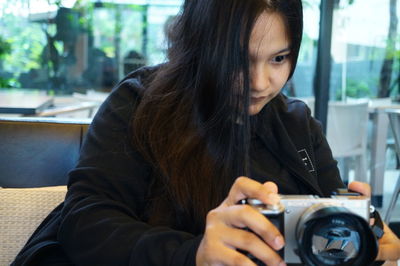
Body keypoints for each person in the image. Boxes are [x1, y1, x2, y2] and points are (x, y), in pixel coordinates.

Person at [13, 0, 400, 265]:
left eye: (279, 58)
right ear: (202, 46)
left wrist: (360, 238)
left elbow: (327, 232)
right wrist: (195, 254)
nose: (262, 82)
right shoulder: (139, 105)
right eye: (239, 61)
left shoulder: (297, 127)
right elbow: (86, 222)